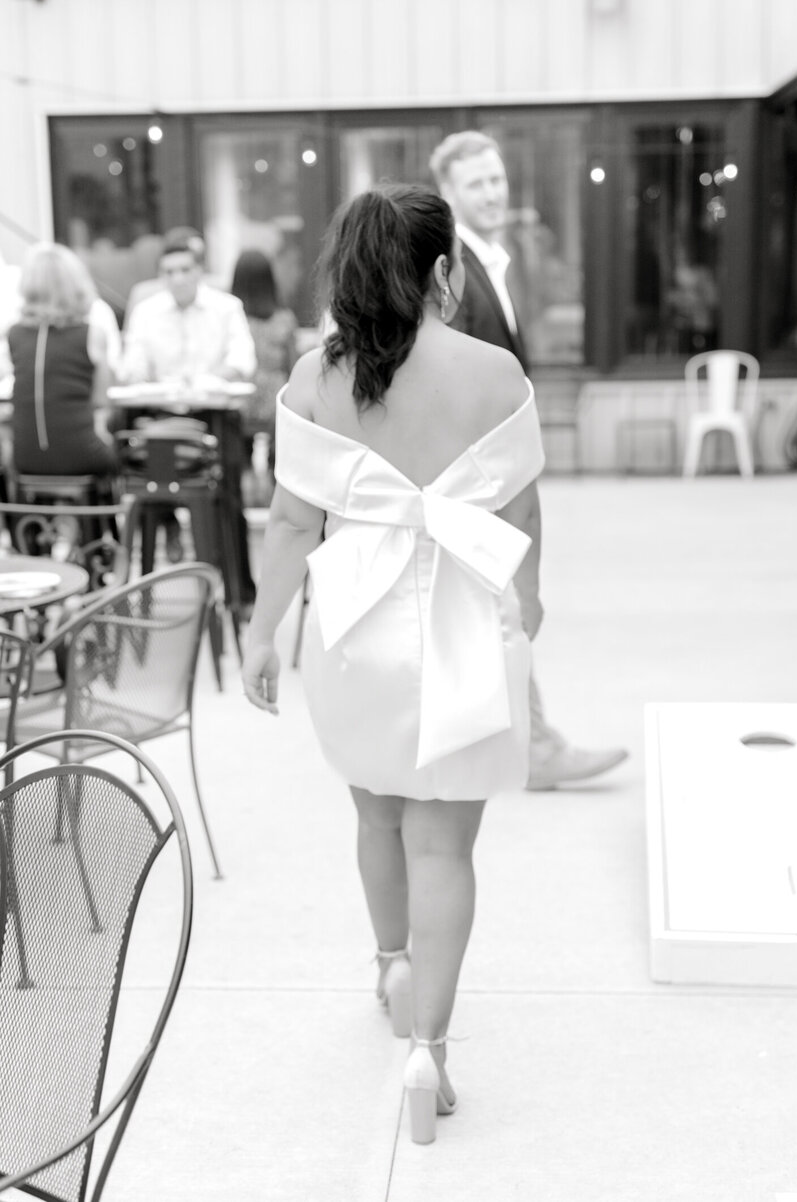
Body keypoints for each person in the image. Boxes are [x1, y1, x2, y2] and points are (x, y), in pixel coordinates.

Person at [243, 184, 544, 1145]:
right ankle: (430, 1054)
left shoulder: (313, 377)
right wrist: (528, 606)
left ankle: (390, 963)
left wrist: (260, 632)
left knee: (375, 811)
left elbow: (292, 523)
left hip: (355, 628)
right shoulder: (495, 373)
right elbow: (523, 518)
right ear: (443, 273)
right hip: (458, 625)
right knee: (445, 848)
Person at [429, 130, 628, 791]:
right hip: (472, 470)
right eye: (478, 182)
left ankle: (504, 739)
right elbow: (449, 372)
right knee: (503, 603)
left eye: (497, 179)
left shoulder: (494, 259)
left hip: (490, 465)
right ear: (449, 193)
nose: (494, 192)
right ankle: (535, 745)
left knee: (486, 606)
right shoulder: (451, 265)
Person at [120, 230, 257, 597]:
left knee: (228, 497)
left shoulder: (226, 307)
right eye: (169, 271)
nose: (177, 278)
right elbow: (131, 367)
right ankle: (152, 570)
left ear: (199, 271)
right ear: (161, 276)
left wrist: (207, 379)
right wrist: (137, 373)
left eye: (184, 269)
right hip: (161, 418)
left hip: (211, 414)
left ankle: (238, 592)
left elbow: (243, 362)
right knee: (146, 482)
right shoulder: (146, 313)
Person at [6, 242, 116, 492]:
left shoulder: (14, 334)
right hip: (81, 453)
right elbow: (102, 402)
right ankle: (106, 525)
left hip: (26, 456)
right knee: (121, 454)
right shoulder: (91, 335)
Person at [230, 249, 298, 502]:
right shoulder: (283, 319)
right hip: (274, 400)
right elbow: (292, 365)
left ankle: (246, 484)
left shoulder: (233, 318)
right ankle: (272, 484)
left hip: (241, 398)